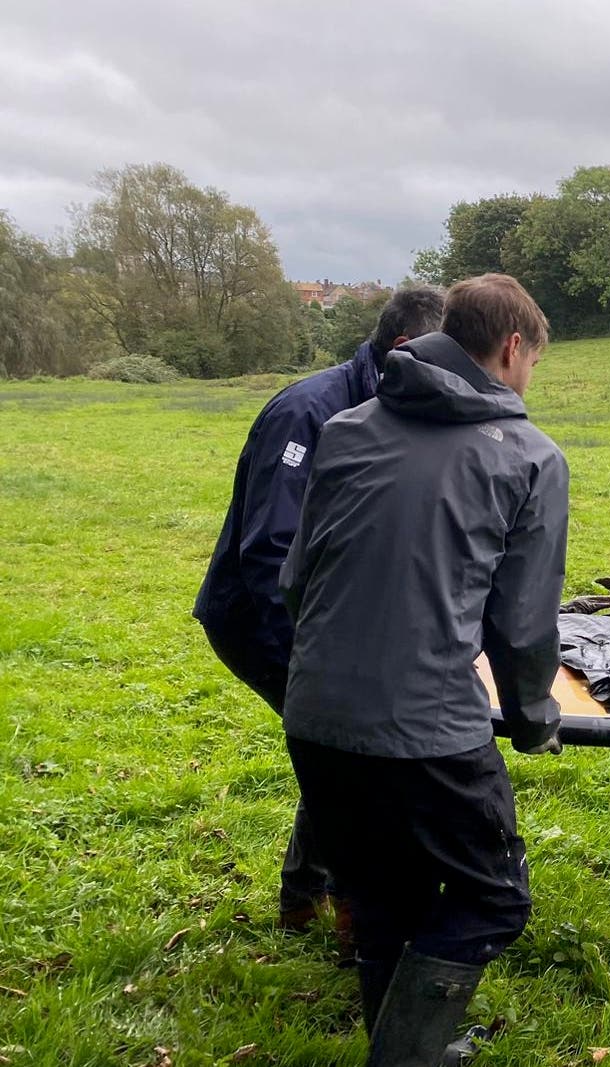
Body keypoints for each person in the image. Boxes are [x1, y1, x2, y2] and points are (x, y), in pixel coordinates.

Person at [279, 273, 568, 1063]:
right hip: (430, 730)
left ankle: (409, 1040)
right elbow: (523, 624)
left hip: (314, 716)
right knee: (493, 896)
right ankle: (404, 1054)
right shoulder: (532, 458)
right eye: (534, 361)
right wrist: (536, 718)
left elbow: (298, 581)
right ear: (512, 349)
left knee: (381, 902)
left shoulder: (346, 427)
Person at [193, 285, 446, 929]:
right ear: (404, 349)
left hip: (334, 621)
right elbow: (269, 551)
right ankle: (351, 919)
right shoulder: (308, 412)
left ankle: (304, 900)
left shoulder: (392, 403)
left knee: (338, 756)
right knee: (351, 755)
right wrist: (314, 661)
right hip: (261, 620)